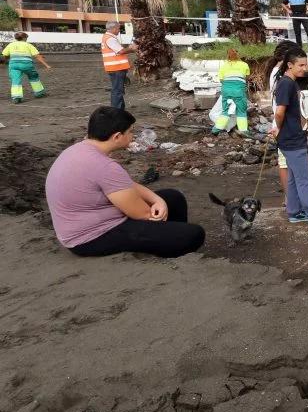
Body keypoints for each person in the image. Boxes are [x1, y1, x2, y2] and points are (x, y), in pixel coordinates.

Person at [45, 106, 205, 258]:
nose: (132, 136)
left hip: (80, 223)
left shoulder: (79, 150)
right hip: (91, 237)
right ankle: (169, 248)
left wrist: (158, 200)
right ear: (117, 137)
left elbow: (125, 184)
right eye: (130, 132)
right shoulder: (104, 166)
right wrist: (155, 212)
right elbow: (142, 214)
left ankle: (167, 236)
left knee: (173, 197)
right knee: (194, 234)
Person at [269, 47, 308, 229]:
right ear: (289, 65)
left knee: (293, 177)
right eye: (301, 65)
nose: (304, 68)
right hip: (292, 140)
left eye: (305, 64)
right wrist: (278, 129)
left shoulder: (288, 82)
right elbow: (280, 112)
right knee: (305, 180)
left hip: (291, 138)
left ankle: (294, 211)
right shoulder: (286, 84)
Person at [264, 41, 300, 194]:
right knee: (286, 164)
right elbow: (280, 111)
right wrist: (279, 128)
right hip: (285, 126)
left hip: (284, 125)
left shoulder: (277, 72)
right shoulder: (282, 76)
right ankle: (289, 199)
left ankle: (290, 198)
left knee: (287, 162)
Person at [212, 47, 251, 135]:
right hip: (238, 91)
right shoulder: (244, 65)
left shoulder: (224, 66)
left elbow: (221, 80)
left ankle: (216, 129)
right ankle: (244, 131)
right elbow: (246, 78)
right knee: (241, 111)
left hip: (226, 90)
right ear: (238, 54)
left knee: (226, 110)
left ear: (228, 55)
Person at [3, 32, 51, 103]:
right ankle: (39, 93)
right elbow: (37, 56)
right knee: (34, 77)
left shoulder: (11, 45)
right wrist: (46, 65)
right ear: (24, 38)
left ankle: (16, 97)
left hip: (14, 65)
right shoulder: (29, 45)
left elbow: (5, 55)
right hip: (27, 64)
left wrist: (7, 60)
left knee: (15, 80)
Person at [101, 21, 137, 110]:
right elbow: (121, 51)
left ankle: (119, 109)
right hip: (116, 68)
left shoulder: (107, 38)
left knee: (117, 90)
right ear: (113, 29)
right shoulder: (110, 39)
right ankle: (117, 110)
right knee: (118, 91)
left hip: (114, 68)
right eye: (118, 28)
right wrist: (132, 49)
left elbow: (119, 50)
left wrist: (130, 48)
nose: (119, 30)